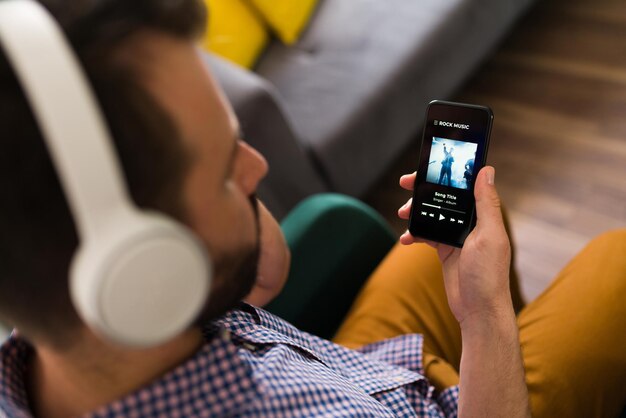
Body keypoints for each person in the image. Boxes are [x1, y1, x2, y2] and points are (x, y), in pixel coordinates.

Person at [0, 1, 625, 417]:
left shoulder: (71, 300)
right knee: (615, 262)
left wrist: (221, 183)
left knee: (468, 234)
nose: (259, 167)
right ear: (146, 270)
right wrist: (485, 317)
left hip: (362, 370)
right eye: (225, 171)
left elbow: (264, 277)